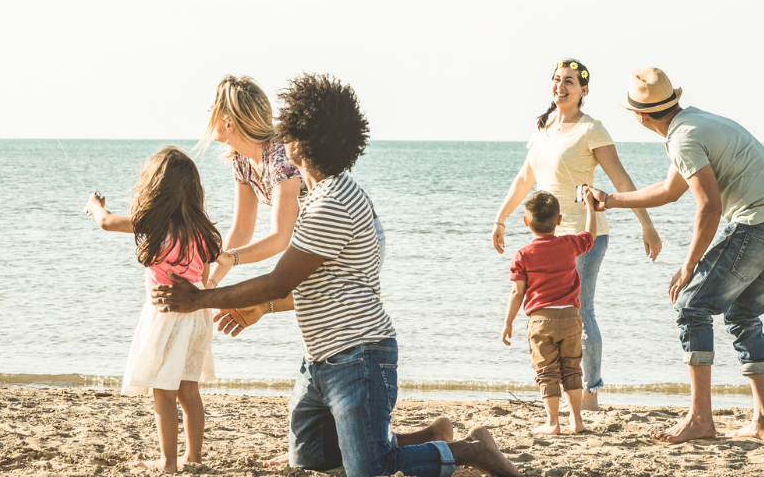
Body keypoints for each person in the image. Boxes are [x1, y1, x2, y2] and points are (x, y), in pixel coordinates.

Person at [152, 74, 521, 477]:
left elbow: (281, 272)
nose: (282, 138)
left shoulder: (321, 195)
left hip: (358, 350)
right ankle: (425, 437)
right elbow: (276, 261)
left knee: (368, 468)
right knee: (312, 459)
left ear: (299, 143)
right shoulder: (294, 182)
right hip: (324, 354)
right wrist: (222, 272)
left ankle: (472, 452)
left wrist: (204, 298)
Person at [583, 67, 764, 443]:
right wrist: (610, 200)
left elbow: (709, 207)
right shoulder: (692, 124)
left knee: (691, 305)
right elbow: (671, 190)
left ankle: (701, 419)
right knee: (742, 314)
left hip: (759, 224)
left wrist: (688, 266)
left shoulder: (683, 138)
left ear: (638, 116)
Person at [490, 58, 662, 411]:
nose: (561, 86)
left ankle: (590, 394)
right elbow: (525, 179)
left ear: (584, 90)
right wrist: (501, 218)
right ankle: (562, 388)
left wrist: (646, 223)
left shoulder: (591, 129)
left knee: (581, 311)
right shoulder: (541, 128)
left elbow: (620, 180)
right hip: (546, 240)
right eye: (556, 79)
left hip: (585, 236)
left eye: (570, 81)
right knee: (550, 312)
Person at [84, 146, 223, 472]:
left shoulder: (154, 224)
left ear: (155, 188)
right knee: (189, 390)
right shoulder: (200, 231)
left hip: (167, 316)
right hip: (198, 315)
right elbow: (202, 277)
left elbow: (105, 222)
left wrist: (94, 205)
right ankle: (194, 459)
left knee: (163, 390)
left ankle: (169, 463)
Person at [500, 191, 596, 435]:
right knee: (572, 369)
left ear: (525, 221)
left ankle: (553, 423)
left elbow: (517, 292)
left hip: (541, 320)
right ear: (559, 220)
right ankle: (577, 421)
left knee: (547, 372)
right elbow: (590, 237)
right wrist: (591, 210)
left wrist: (508, 322)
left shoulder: (523, 254)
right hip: (571, 318)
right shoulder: (568, 244)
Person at [199, 75, 305, 288]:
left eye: (211, 110)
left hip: (353, 233)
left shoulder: (280, 157)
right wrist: (210, 284)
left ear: (229, 123)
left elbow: (280, 238)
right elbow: (241, 230)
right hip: (322, 237)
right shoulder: (241, 160)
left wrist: (232, 258)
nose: (206, 113)